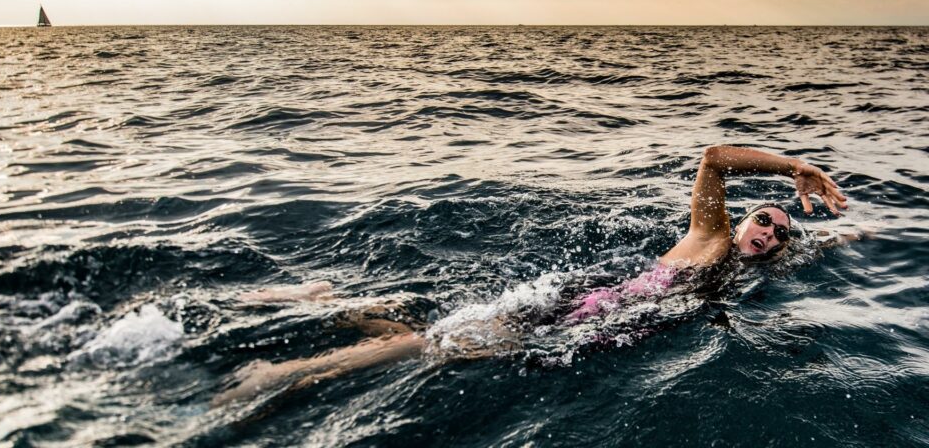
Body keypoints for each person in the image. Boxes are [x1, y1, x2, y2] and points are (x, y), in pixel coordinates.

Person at [213, 145, 848, 406]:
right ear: (741, 222)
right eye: (763, 220)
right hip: (584, 306)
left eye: (779, 232)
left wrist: (851, 232)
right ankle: (281, 376)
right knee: (444, 348)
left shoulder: (747, 273)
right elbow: (713, 158)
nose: (769, 231)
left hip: (596, 319)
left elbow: (827, 243)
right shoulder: (709, 238)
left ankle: (328, 300)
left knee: (444, 341)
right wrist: (791, 165)